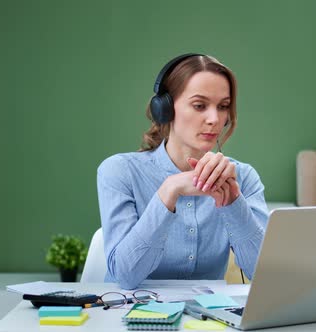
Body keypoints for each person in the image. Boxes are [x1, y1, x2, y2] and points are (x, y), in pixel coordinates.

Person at [96, 54, 269, 289]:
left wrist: (234, 203)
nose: (214, 119)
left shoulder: (243, 177)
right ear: (165, 109)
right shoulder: (119, 171)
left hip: (207, 321)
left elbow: (265, 275)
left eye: (223, 106)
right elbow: (124, 277)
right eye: (199, 105)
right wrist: (169, 191)